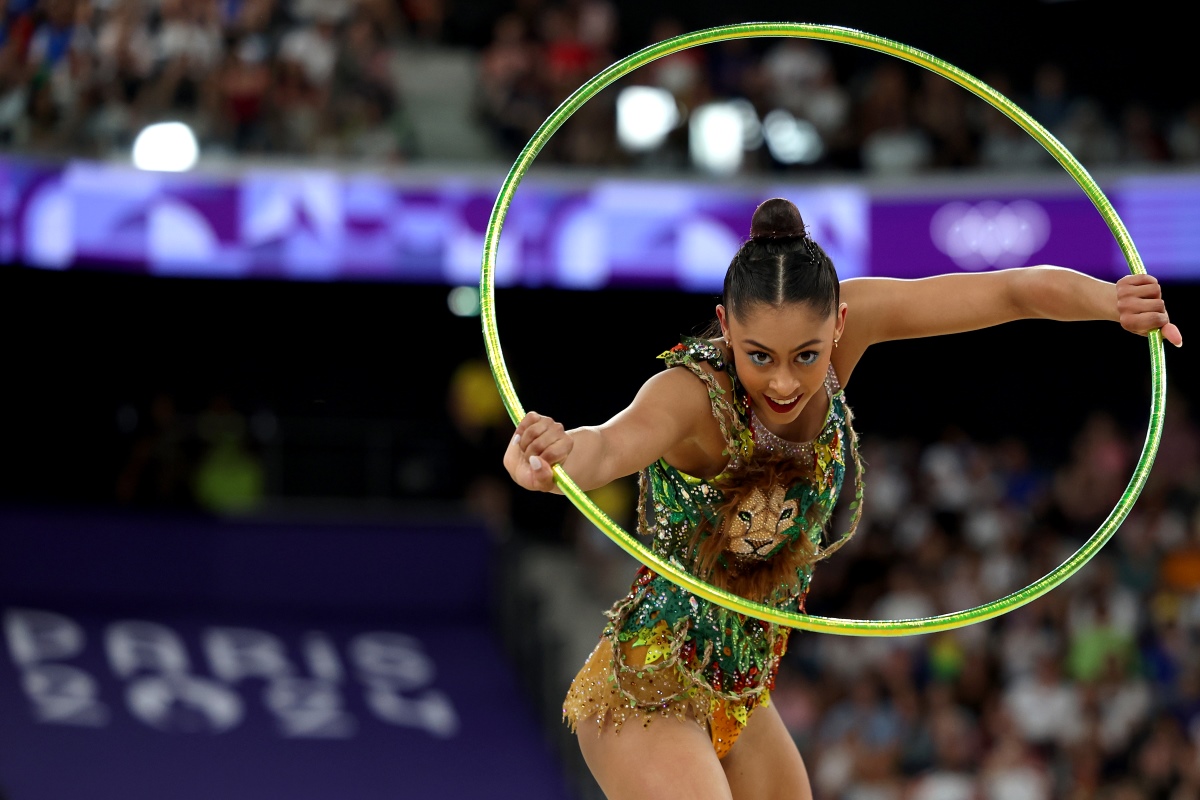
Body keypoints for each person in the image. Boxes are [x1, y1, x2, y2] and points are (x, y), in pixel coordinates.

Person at [503, 198, 1182, 800]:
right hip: (646, 680)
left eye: (806, 354)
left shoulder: (852, 329)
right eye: (757, 355)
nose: (783, 382)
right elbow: (607, 445)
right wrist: (555, 457)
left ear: (840, 323)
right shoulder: (688, 395)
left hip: (740, 686)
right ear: (723, 327)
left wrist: (1109, 301)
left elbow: (1009, 292)